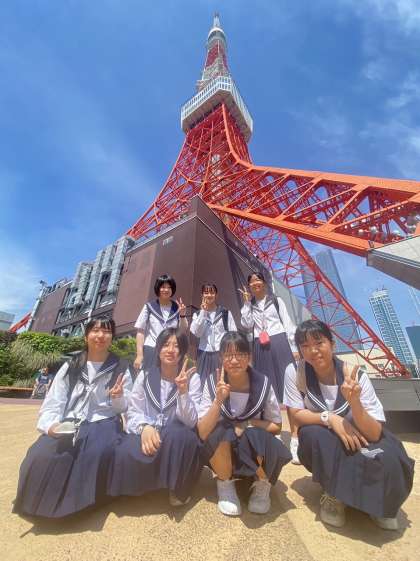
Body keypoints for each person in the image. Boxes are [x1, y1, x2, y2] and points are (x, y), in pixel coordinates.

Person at [283, 319, 415, 530]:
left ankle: (379, 503)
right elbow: (296, 414)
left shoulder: (356, 375)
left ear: (332, 344)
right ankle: (335, 495)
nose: (313, 351)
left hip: (359, 431)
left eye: (319, 343)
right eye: (305, 346)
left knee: (388, 453)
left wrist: (354, 402)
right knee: (311, 435)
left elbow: (374, 432)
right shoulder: (296, 372)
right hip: (326, 435)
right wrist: (330, 418)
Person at [13, 317, 134, 518]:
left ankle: (83, 506)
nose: (100, 335)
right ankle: (37, 502)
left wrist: (118, 397)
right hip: (71, 420)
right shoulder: (72, 364)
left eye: (106, 332)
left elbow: (124, 407)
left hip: (104, 421)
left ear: (112, 337)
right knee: (41, 453)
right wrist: (51, 425)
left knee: (96, 452)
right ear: (86, 336)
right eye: (95, 330)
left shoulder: (120, 366)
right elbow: (55, 400)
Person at [197, 331, 292, 516]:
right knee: (220, 430)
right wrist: (218, 401)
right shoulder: (212, 383)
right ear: (220, 358)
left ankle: (261, 483)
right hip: (225, 451)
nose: (234, 360)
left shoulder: (263, 383)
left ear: (249, 357)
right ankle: (225, 482)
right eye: (228, 355)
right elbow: (202, 432)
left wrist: (247, 423)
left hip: (252, 446)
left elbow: (276, 426)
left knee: (256, 434)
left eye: (240, 354)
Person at [109, 328, 203, 506]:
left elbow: (191, 421)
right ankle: (142, 486)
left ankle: (177, 488)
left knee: (182, 436)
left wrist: (183, 392)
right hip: (148, 432)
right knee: (123, 450)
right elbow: (133, 411)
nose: (171, 350)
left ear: (183, 352)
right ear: (158, 349)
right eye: (166, 345)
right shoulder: (145, 376)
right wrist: (145, 427)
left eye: (177, 346)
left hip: (174, 436)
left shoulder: (192, 379)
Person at [239, 271, 300, 464]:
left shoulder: (276, 301)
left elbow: (288, 324)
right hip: (260, 346)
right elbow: (246, 324)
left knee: (290, 390)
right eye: (252, 281)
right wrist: (246, 303)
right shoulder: (250, 305)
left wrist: (294, 348)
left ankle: (295, 439)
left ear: (264, 283)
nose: (255, 283)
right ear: (249, 286)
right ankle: (273, 434)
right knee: (266, 391)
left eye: (258, 280)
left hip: (279, 342)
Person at [134, 274, 188, 371]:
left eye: (169, 287)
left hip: (169, 351)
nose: (166, 290)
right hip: (151, 349)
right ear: (158, 288)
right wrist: (139, 355)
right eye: (163, 287)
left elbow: (182, 330)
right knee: (148, 377)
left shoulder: (177, 308)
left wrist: (182, 315)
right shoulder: (149, 307)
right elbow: (140, 331)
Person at [190, 283, 237, 386]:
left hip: (221, 353)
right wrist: (203, 312)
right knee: (202, 382)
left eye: (212, 292)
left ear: (216, 295)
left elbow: (233, 334)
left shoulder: (225, 313)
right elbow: (197, 333)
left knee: (220, 382)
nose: (209, 295)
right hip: (203, 353)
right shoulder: (197, 314)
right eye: (206, 293)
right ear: (202, 295)